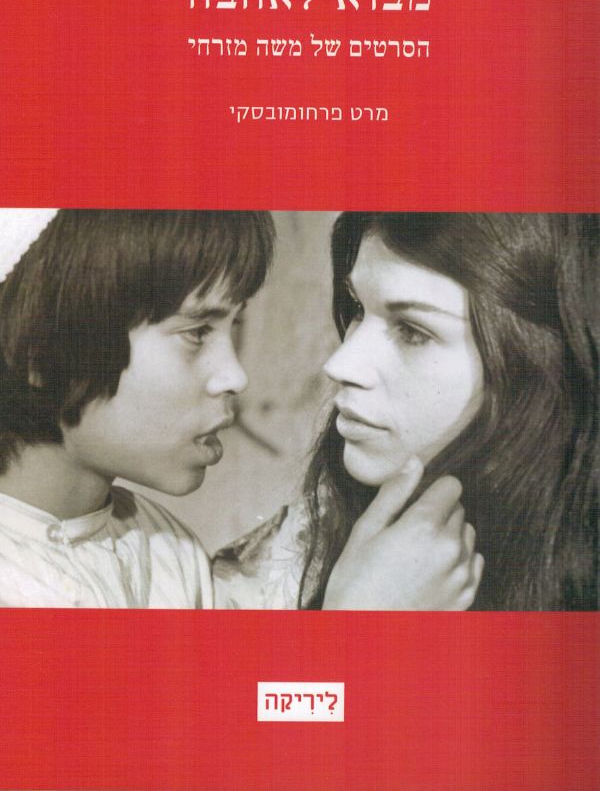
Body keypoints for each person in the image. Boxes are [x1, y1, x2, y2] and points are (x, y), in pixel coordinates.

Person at [0, 209, 480, 609]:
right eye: (197, 333)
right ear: (45, 352)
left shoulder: (170, 552)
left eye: (233, 330)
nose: (235, 376)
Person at [296, 213, 598, 611]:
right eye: (356, 308)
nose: (341, 364)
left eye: (413, 331)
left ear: (534, 363)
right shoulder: (265, 571)